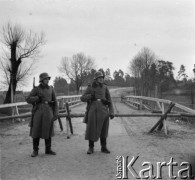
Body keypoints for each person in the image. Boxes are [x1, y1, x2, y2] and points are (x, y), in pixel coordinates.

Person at [80, 71, 114, 154]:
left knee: (104, 129)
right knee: (91, 128)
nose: (101, 79)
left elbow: (109, 100)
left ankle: (103, 147)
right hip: (93, 110)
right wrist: (89, 96)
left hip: (103, 110)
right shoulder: (91, 87)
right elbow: (82, 98)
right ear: (95, 79)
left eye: (102, 77)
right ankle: (91, 148)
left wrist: (111, 111)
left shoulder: (105, 87)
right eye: (99, 78)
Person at [26, 72, 58, 157]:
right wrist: (37, 98)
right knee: (36, 130)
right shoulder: (36, 89)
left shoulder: (51, 89)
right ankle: (35, 150)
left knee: (48, 130)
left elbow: (55, 102)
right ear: (42, 80)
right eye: (46, 79)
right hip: (38, 112)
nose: (47, 80)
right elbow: (28, 99)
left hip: (48, 111)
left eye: (48, 79)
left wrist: (55, 113)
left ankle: (48, 149)